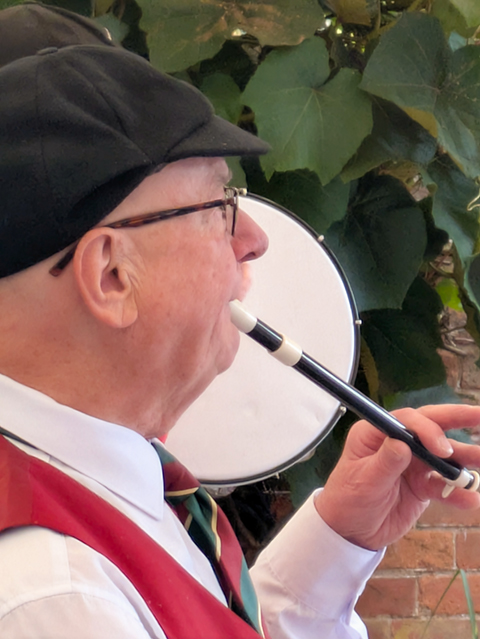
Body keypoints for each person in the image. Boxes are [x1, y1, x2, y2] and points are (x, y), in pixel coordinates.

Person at [0, 20, 479, 639]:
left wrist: (336, 539)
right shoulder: (54, 595)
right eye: (218, 203)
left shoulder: (94, 498)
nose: (254, 239)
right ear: (112, 274)